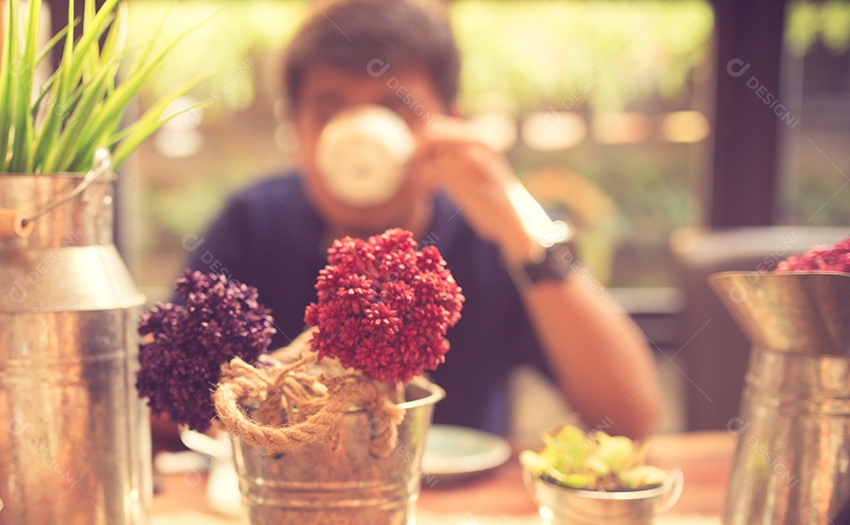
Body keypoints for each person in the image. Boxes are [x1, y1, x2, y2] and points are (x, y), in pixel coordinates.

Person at [185, 0, 662, 438]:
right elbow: (164, 399)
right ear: (296, 127)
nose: (360, 136)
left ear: (449, 118)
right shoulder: (253, 223)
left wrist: (523, 227)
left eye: (395, 109)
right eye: (329, 111)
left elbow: (632, 418)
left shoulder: (493, 229)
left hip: (461, 518)